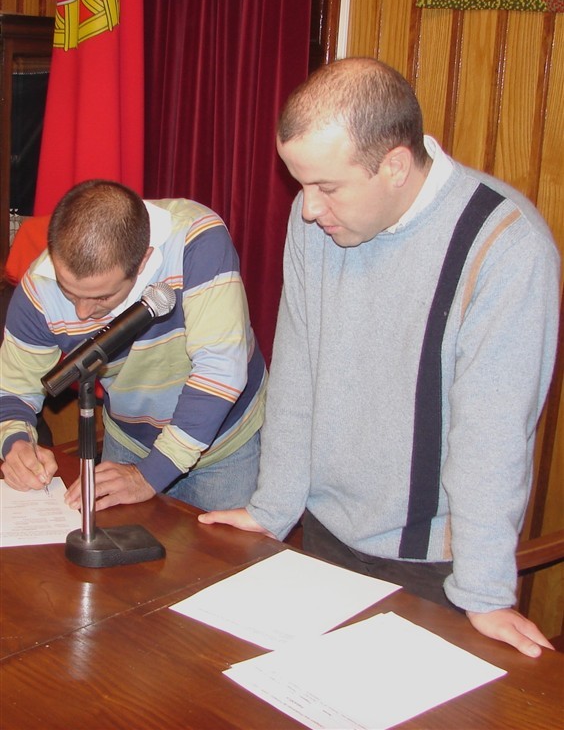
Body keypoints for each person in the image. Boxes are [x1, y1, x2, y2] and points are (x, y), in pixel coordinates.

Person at [199, 58, 560, 657]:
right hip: (322, 533)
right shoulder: (317, 222)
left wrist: (486, 589)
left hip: (431, 564)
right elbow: (297, 370)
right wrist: (273, 506)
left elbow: (492, 436)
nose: (309, 209)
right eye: (301, 185)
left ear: (394, 165)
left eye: (328, 187)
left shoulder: (506, 247)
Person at [0, 180, 267, 511]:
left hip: (222, 443)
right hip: (130, 437)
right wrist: (15, 444)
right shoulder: (40, 287)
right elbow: (13, 389)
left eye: (101, 297)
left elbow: (220, 372)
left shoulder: (196, 241)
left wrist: (149, 476)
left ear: (143, 262)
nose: (81, 313)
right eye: (69, 293)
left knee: (226, 560)